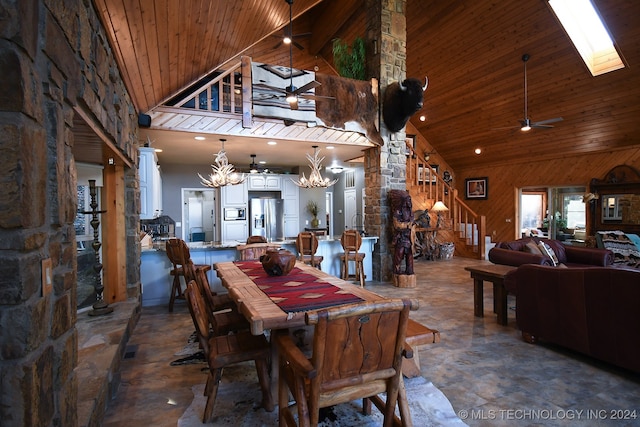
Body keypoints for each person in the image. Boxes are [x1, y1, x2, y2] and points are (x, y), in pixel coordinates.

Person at [389, 190, 415, 275]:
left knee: (410, 255)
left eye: (410, 201)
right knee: (399, 253)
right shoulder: (398, 211)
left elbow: (412, 222)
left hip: (408, 236)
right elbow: (396, 224)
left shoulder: (410, 212)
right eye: (408, 201)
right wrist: (406, 225)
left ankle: (409, 270)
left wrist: (412, 225)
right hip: (401, 236)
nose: (409, 203)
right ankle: (396, 269)